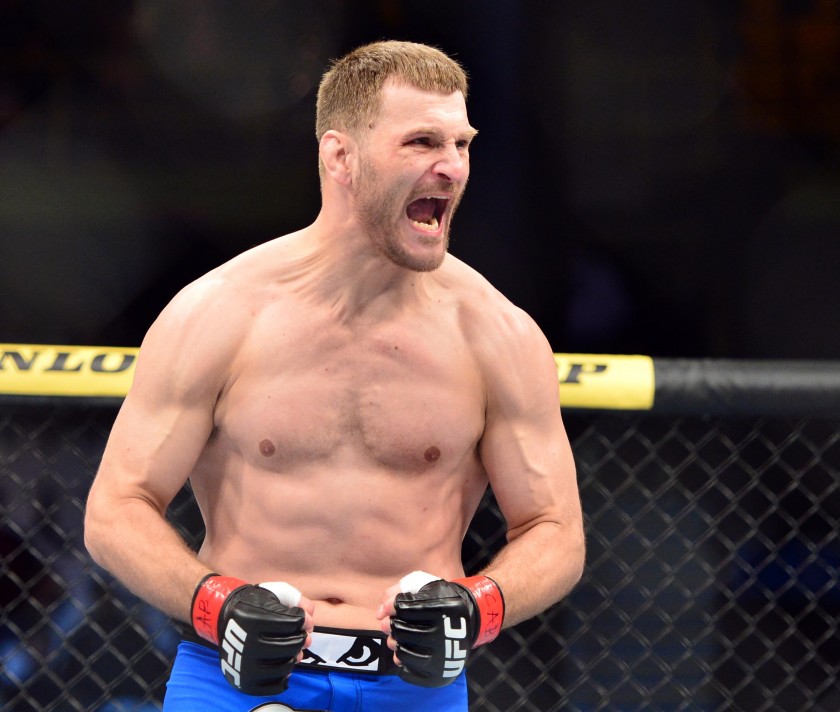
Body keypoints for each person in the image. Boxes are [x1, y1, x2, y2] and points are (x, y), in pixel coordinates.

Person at [83, 40, 585, 712]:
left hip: (412, 687)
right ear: (339, 155)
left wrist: (477, 607)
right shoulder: (220, 314)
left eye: (461, 144)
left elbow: (556, 530)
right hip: (235, 677)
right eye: (421, 142)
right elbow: (115, 510)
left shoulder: (495, 334)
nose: (451, 167)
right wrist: (218, 606)